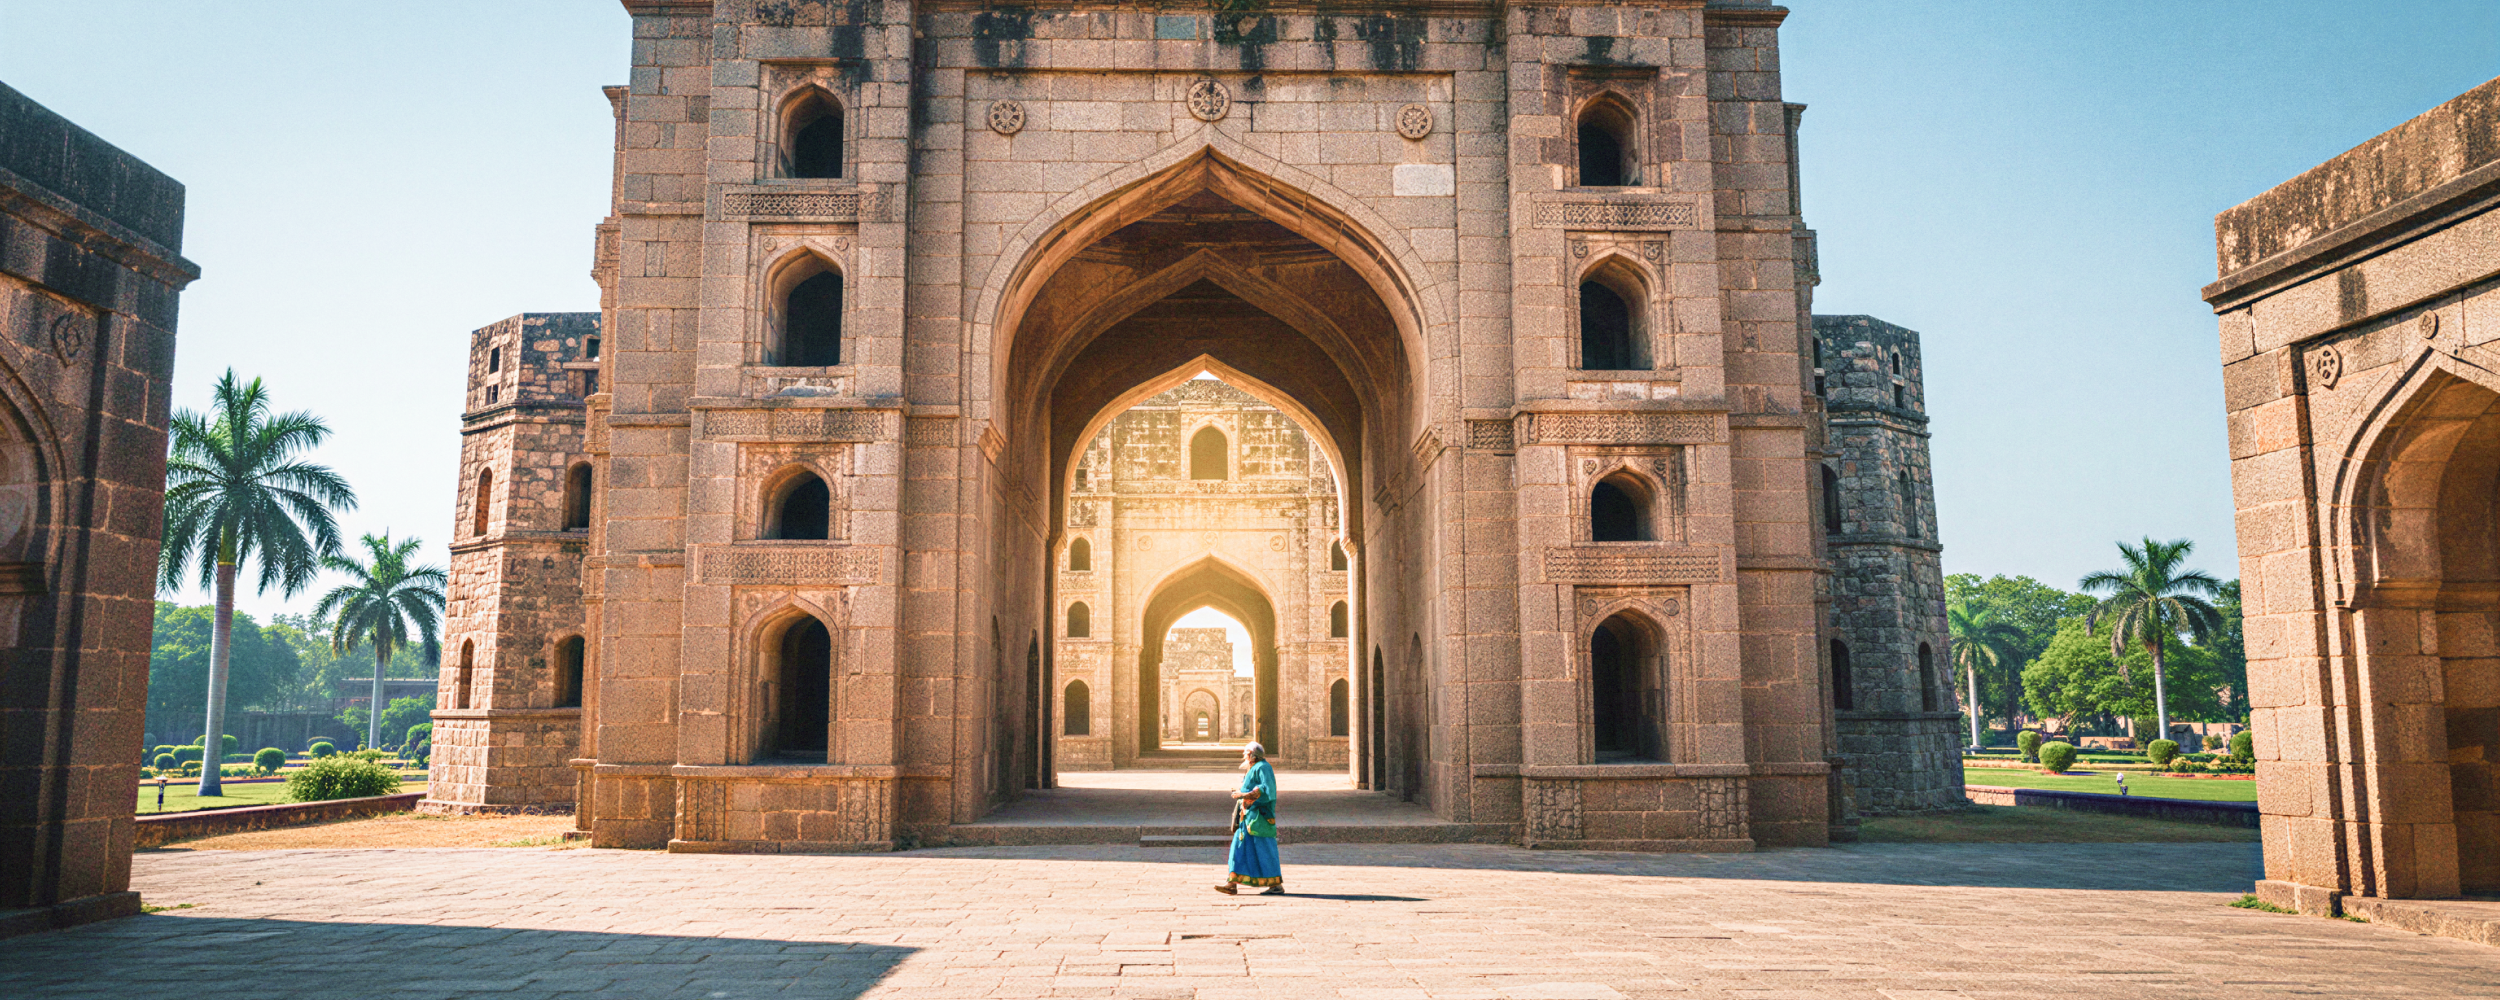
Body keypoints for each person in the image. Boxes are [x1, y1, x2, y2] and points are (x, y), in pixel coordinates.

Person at [1215, 741, 1282, 895]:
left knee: (1265, 850)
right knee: (1238, 848)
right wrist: (1241, 793)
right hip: (1248, 818)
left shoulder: (1264, 768)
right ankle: (1231, 883)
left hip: (1260, 819)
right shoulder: (1253, 768)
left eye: (1246, 752)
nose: (1243, 755)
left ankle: (1276, 885)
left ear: (1253, 754)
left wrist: (1243, 795)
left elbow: (1266, 790)